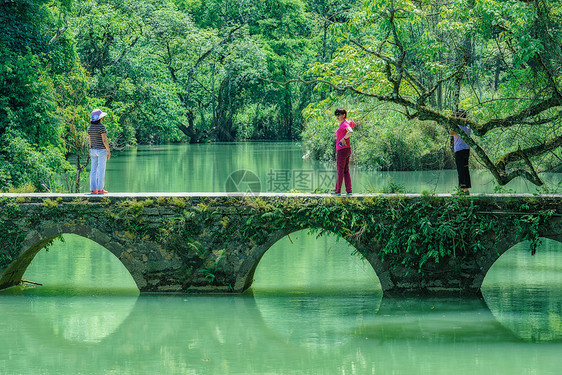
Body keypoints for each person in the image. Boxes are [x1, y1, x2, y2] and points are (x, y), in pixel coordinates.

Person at [88, 108, 111, 194]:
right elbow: (104, 140)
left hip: (93, 150)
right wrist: (108, 151)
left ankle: (93, 189)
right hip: (101, 150)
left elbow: (90, 140)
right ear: (100, 118)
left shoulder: (90, 128)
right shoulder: (101, 127)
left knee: (93, 170)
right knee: (101, 170)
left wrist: (91, 149)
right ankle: (100, 189)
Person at [333, 108, 355, 195]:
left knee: (340, 170)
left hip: (342, 151)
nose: (337, 116)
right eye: (336, 115)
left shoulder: (344, 124)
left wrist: (344, 138)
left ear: (344, 115)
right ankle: (349, 191)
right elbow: (352, 124)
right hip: (346, 149)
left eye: (339, 114)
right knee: (345, 170)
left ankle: (337, 191)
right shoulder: (345, 123)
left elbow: (350, 131)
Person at [449, 108, 471, 194]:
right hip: (466, 150)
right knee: (465, 169)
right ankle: (466, 189)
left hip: (459, 150)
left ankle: (461, 190)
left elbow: (451, 133)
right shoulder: (468, 127)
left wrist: (453, 123)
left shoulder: (457, 127)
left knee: (460, 170)